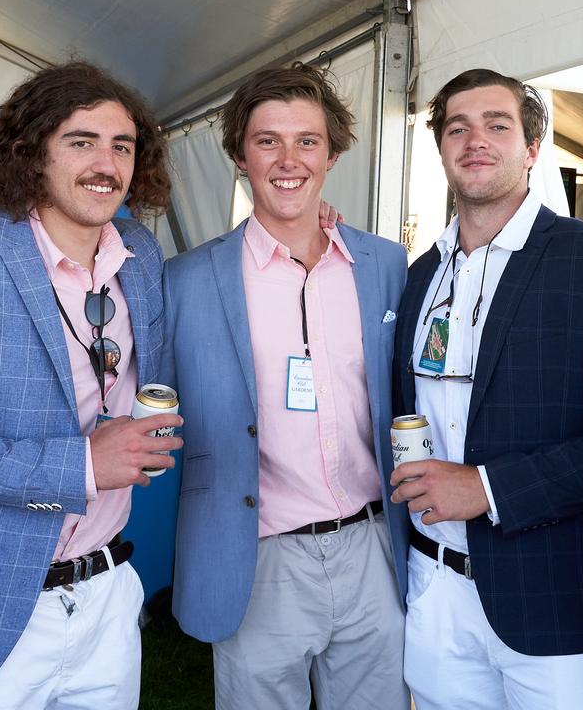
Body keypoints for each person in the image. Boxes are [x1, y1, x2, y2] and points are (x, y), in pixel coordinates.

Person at [0, 61, 182, 708]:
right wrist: (82, 464)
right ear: (30, 153)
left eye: (122, 145)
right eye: (80, 141)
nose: (106, 163)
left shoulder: (140, 255)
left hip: (109, 596)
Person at [390, 68, 583, 709]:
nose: (476, 140)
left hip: (557, 600)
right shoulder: (420, 274)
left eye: (497, 125)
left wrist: (484, 488)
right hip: (436, 589)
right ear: (443, 148)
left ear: (532, 148)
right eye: (458, 127)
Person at [161, 62, 409, 710]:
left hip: (373, 548)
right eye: (268, 140)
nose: (288, 159)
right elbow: (130, 395)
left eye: (307, 140)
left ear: (332, 153)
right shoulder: (186, 281)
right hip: (256, 556)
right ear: (240, 154)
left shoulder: (384, 264)